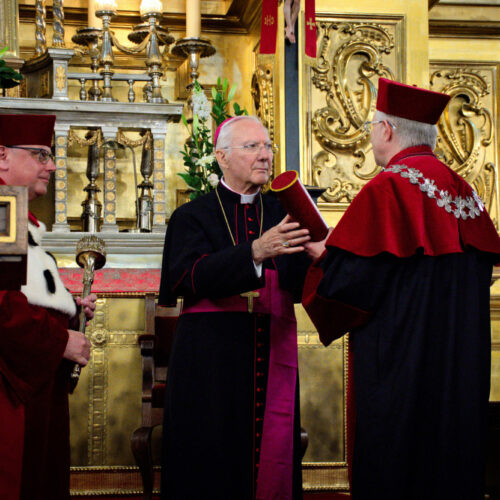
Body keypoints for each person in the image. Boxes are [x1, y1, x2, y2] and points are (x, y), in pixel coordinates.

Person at [303, 78, 500, 500]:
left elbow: (350, 288)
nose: (372, 133)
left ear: (387, 130)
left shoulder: (388, 187)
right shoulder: (466, 192)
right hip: (458, 369)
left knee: (399, 468)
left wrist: (325, 259)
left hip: (400, 371)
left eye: (374, 125)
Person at [159, 115, 311, 500]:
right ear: (221, 157)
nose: (265, 155)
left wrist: (324, 257)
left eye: (268, 146)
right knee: (209, 457)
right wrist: (255, 252)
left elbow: (304, 279)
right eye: (252, 147)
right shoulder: (191, 216)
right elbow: (187, 278)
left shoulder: (283, 213)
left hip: (271, 349)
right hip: (208, 359)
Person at [0, 114, 96, 500]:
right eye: (40, 155)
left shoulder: (14, 212)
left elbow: (18, 292)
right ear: (2, 156)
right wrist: (60, 341)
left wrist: (68, 309)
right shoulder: (3, 211)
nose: (52, 165)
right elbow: (3, 306)